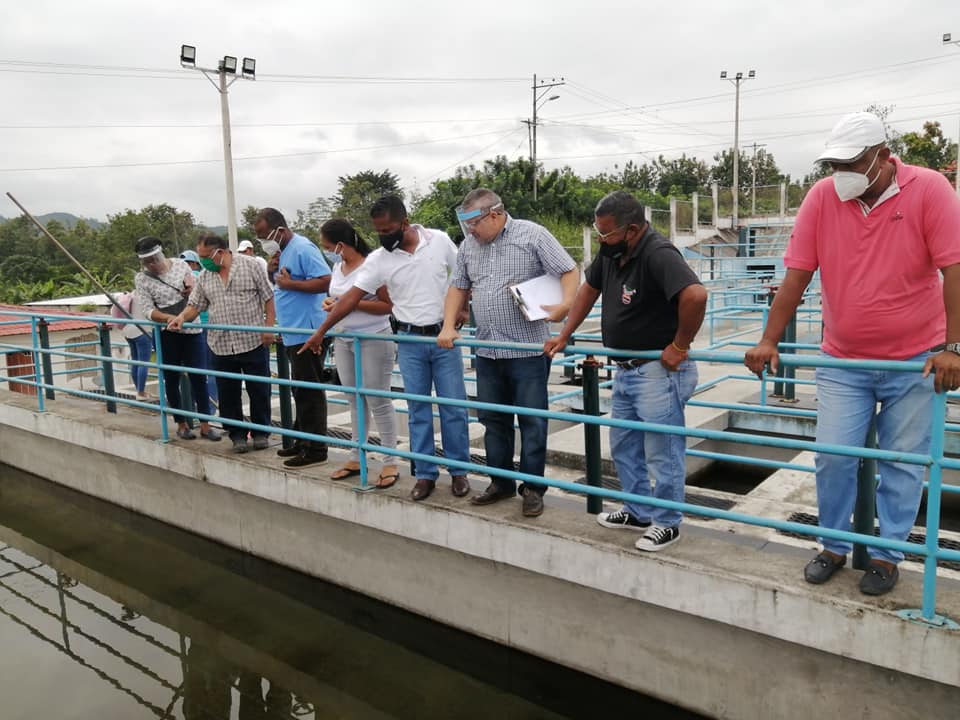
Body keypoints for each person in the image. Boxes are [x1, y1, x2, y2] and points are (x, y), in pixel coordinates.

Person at [744, 111, 960, 595]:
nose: (841, 174)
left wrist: (954, 348)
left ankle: (886, 556)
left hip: (915, 359)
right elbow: (797, 275)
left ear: (883, 156)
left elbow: (955, 269)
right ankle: (834, 545)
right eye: (834, 165)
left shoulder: (929, 189)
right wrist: (769, 339)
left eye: (852, 163)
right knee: (833, 457)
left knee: (903, 463)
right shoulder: (823, 198)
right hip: (843, 360)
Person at [545, 191, 706, 551]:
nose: (602, 240)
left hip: (659, 372)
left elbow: (695, 296)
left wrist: (680, 345)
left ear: (632, 230)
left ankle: (667, 522)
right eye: (598, 233)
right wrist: (565, 335)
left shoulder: (658, 253)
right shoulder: (612, 253)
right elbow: (588, 291)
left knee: (663, 451)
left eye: (606, 234)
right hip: (626, 370)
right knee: (624, 444)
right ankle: (638, 510)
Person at [300, 195, 471, 502]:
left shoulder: (439, 241)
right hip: (409, 340)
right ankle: (425, 474)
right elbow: (351, 298)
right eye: (377, 231)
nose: (382, 236)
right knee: (418, 410)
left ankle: (459, 472)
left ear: (404, 223)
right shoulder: (379, 259)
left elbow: (462, 276)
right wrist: (321, 332)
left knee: (453, 407)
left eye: (387, 230)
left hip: (443, 337)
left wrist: (463, 309)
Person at [438, 188, 578, 517]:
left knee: (532, 421)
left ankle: (532, 489)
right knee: (493, 421)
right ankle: (500, 483)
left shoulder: (532, 235)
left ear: (495, 214)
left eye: (475, 223)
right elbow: (458, 286)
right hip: (488, 351)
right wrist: (447, 326)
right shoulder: (469, 246)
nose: (470, 230)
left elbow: (569, 270)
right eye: (466, 224)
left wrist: (565, 304)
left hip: (527, 351)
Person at [168, 232, 276, 454]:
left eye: (205, 256)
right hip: (221, 343)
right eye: (200, 256)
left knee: (259, 389)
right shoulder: (205, 276)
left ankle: (261, 432)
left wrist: (268, 327)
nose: (203, 261)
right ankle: (237, 435)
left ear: (220, 251)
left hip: (252, 340)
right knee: (227, 393)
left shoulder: (250, 266)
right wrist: (181, 318)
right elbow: (195, 305)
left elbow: (268, 296)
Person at [319, 218, 399, 487]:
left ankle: (390, 461)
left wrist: (350, 304)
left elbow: (388, 305)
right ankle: (357, 455)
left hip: (373, 337)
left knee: (378, 400)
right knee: (354, 399)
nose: (327, 251)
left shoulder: (370, 267)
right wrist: (333, 302)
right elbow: (338, 298)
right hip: (344, 339)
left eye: (328, 246)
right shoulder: (338, 266)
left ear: (340, 245)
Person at [254, 208, 331, 468]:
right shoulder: (282, 252)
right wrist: (270, 272)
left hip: (308, 332)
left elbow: (326, 280)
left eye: (265, 235)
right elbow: (280, 284)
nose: (263, 241)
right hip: (292, 332)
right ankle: (302, 440)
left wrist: (291, 285)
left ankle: (316, 449)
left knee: (309, 391)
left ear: (280, 230)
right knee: (300, 390)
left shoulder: (302, 248)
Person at [133, 237, 220, 442]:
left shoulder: (181, 265)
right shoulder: (142, 279)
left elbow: (198, 293)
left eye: (154, 259)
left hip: (192, 329)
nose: (152, 264)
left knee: (199, 377)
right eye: (147, 262)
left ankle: (205, 425)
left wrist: (190, 291)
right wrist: (168, 319)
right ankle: (181, 424)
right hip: (167, 332)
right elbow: (147, 310)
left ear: (161, 254)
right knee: (171, 379)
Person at [180, 249, 218, 407]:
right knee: (211, 369)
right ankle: (211, 406)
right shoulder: (205, 277)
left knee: (193, 370)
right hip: (207, 325)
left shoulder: (183, 278)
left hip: (192, 328)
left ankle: (191, 406)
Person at [110, 291, 154, 401]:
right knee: (143, 363)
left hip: (128, 331)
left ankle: (139, 390)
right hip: (143, 331)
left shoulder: (132, 295)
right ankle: (141, 393)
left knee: (135, 361)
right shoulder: (146, 296)